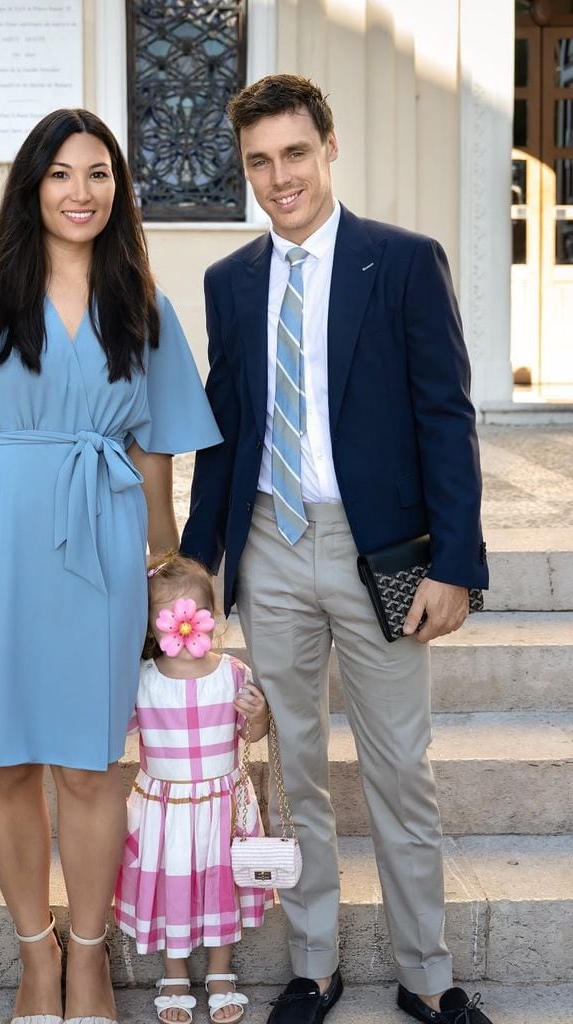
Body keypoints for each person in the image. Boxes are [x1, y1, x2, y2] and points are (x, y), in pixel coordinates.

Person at [0, 108, 221, 1024]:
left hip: (105, 546)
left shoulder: (141, 304)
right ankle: (34, 957)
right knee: (1, 765)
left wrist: (166, 562)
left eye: (100, 174)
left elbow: (156, 448)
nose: (82, 193)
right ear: (32, 186)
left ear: (119, 189)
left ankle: (88, 958)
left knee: (88, 765)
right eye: (62, 174)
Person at [181, 75, 493, 1024]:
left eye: (295, 153)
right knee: (298, 770)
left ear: (329, 147)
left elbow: (446, 416)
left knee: (402, 768)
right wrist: (200, 564)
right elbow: (226, 428)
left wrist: (458, 565)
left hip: (381, 552)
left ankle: (428, 978)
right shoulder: (230, 281)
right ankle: (314, 967)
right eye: (260, 162)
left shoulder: (401, 262)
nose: (280, 177)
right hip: (271, 547)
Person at [114, 552, 271, 1024]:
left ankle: (221, 971)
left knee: (221, 885)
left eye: (191, 617)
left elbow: (254, 734)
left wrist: (258, 715)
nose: (181, 631)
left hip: (220, 805)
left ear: (210, 618)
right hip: (163, 809)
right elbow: (116, 729)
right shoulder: (142, 681)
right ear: (150, 626)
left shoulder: (233, 674)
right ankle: (174, 970)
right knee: (170, 886)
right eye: (168, 619)